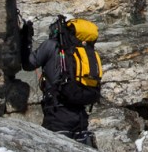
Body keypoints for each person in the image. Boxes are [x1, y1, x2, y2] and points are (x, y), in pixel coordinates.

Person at [20, 16, 102, 145]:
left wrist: (26, 38)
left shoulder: (51, 45)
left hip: (57, 113)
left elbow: (28, 64)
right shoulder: (86, 51)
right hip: (81, 114)